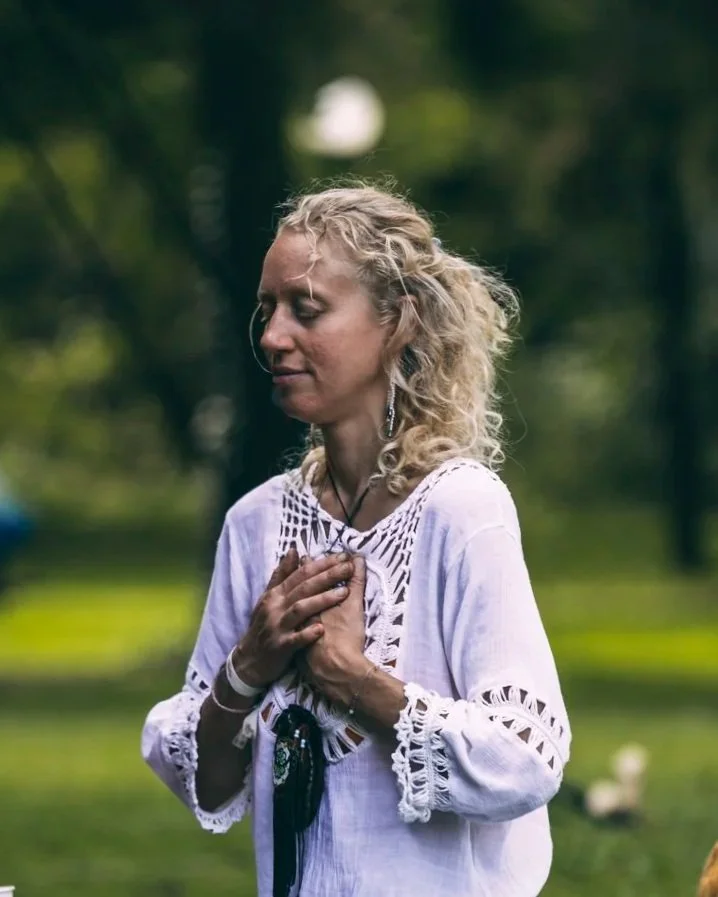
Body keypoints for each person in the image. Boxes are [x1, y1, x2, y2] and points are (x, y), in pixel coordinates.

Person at [142, 183, 571, 897]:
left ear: (396, 323)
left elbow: (526, 760)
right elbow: (206, 784)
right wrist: (247, 666)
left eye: (306, 309)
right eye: (267, 311)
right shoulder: (256, 524)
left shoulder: (462, 510)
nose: (274, 336)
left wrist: (352, 676)